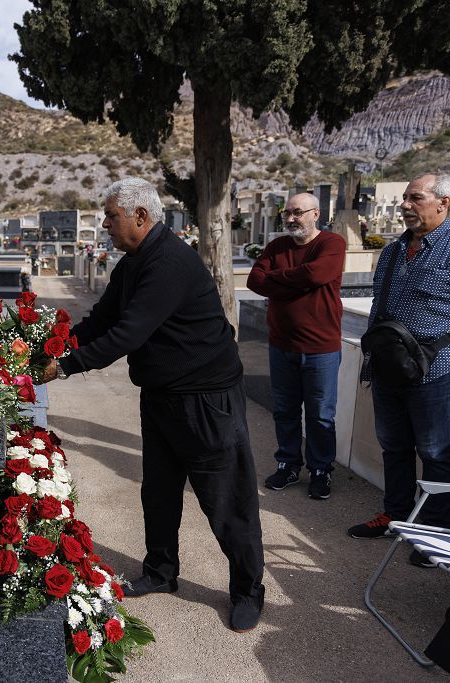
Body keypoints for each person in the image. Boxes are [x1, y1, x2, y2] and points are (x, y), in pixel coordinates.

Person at [38, 178, 265, 632]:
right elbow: (104, 318)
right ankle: (161, 572)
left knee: (224, 500)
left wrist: (63, 367)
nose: (104, 224)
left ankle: (247, 588)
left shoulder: (168, 263)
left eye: (110, 216)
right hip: (163, 394)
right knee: (158, 493)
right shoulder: (134, 261)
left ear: (140, 217)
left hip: (205, 399)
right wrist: (49, 345)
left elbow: (128, 334)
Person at [348, 173, 450, 569]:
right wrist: (371, 359)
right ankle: (395, 516)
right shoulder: (393, 251)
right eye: (405, 198)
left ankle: (436, 533)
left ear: (443, 203)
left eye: (416, 198)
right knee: (394, 447)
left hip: (436, 371)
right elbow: (378, 309)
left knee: (437, 454)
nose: (407, 204)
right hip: (389, 369)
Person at [247, 193, 346, 500]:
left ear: (316, 214)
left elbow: (317, 273)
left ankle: (320, 470)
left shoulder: (332, 244)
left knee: (320, 414)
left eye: (298, 213)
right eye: (287, 213)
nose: (291, 219)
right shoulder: (277, 246)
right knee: (285, 411)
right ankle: (288, 464)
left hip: (321, 349)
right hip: (281, 345)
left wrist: (276, 280)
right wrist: (297, 280)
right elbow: (254, 281)